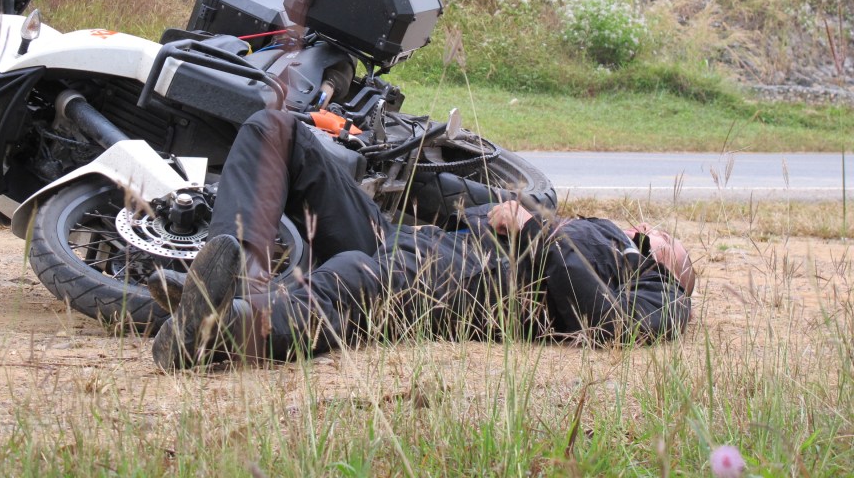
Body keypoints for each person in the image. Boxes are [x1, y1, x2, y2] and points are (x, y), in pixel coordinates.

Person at [150, 110, 695, 371]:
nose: (653, 231)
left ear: (673, 269)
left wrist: (532, 230)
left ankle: (216, 331)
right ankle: (233, 280)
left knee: (349, 281)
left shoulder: (660, 291)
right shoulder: (595, 233)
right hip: (407, 240)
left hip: (452, 283)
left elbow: (605, 323)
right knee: (276, 130)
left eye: (667, 241)